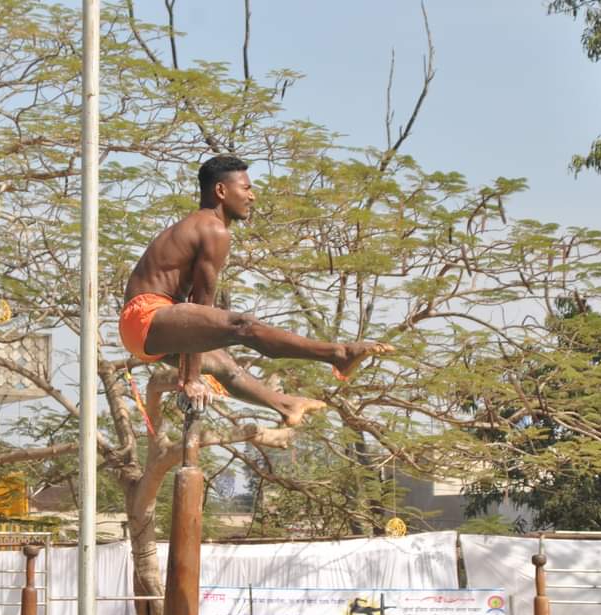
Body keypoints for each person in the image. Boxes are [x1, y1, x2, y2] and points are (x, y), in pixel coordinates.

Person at [120, 155, 395, 422]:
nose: (252, 197)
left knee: (226, 366)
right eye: (246, 188)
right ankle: (339, 354)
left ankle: (285, 405)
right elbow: (202, 303)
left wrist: (193, 368)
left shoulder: (204, 226)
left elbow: (194, 310)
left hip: (152, 326)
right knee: (244, 326)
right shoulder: (212, 229)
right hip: (146, 317)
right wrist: (191, 379)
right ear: (221, 190)